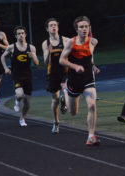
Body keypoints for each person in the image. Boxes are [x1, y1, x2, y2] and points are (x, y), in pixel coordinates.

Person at [59, 16, 101, 146]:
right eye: (81, 27)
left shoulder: (93, 42)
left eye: (86, 27)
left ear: (89, 28)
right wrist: (75, 66)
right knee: (73, 113)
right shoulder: (71, 42)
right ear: (76, 29)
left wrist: (93, 65)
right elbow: (62, 60)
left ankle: (91, 136)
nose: (84, 29)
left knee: (92, 105)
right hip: (73, 81)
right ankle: (65, 94)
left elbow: (89, 57)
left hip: (88, 79)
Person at [1, 26, 39, 126]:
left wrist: (33, 57)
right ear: (15, 36)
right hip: (16, 75)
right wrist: (6, 68)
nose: (21, 35)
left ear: (25, 34)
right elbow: (2, 57)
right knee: (19, 94)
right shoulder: (11, 47)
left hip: (28, 76)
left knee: (27, 102)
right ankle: (17, 101)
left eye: (22, 33)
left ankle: (22, 118)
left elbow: (36, 64)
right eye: (18, 34)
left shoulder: (31, 47)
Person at [42, 18, 70, 134]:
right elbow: (45, 62)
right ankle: (56, 122)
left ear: (58, 27)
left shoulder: (66, 40)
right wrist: (48, 52)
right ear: (47, 29)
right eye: (51, 25)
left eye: (55, 25)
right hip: (53, 74)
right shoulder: (46, 43)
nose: (53, 27)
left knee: (66, 91)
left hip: (65, 72)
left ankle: (65, 101)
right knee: (55, 99)